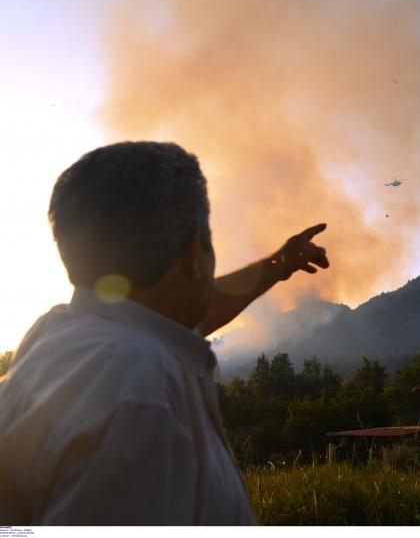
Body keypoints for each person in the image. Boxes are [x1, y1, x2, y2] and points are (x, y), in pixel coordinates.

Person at [0, 141, 329, 524]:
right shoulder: (144, 398)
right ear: (194, 252)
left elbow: (181, 312)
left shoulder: (55, 336)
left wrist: (278, 265)